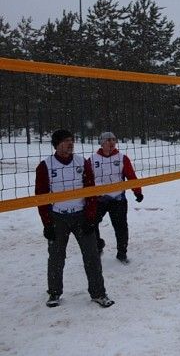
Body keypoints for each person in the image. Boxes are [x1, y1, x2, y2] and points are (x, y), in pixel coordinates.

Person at [35, 129, 114, 308]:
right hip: (58, 217)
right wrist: (47, 224)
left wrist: (91, 218)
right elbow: (40, 197)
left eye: (71, 140)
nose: (70, 144)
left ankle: (98, 293)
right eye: (65, 141)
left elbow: (91, 192)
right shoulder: (45, 166)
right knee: (56, 257)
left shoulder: (81, 162)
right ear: (56, 145)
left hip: (81, 216)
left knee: (92, 256)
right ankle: (54, 293)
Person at [91, 131, 144, 263]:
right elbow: (87, 180)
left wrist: (137, 192)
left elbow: (131, 176)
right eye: (108, 140)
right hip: (99, 199)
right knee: (91, 224)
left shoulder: (122, 158)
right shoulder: (92, 159)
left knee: (121, 227)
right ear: (102, 143)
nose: (112, 143)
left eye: (114, 140)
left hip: (117, 199)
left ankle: (122, 253)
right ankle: (97, 246)